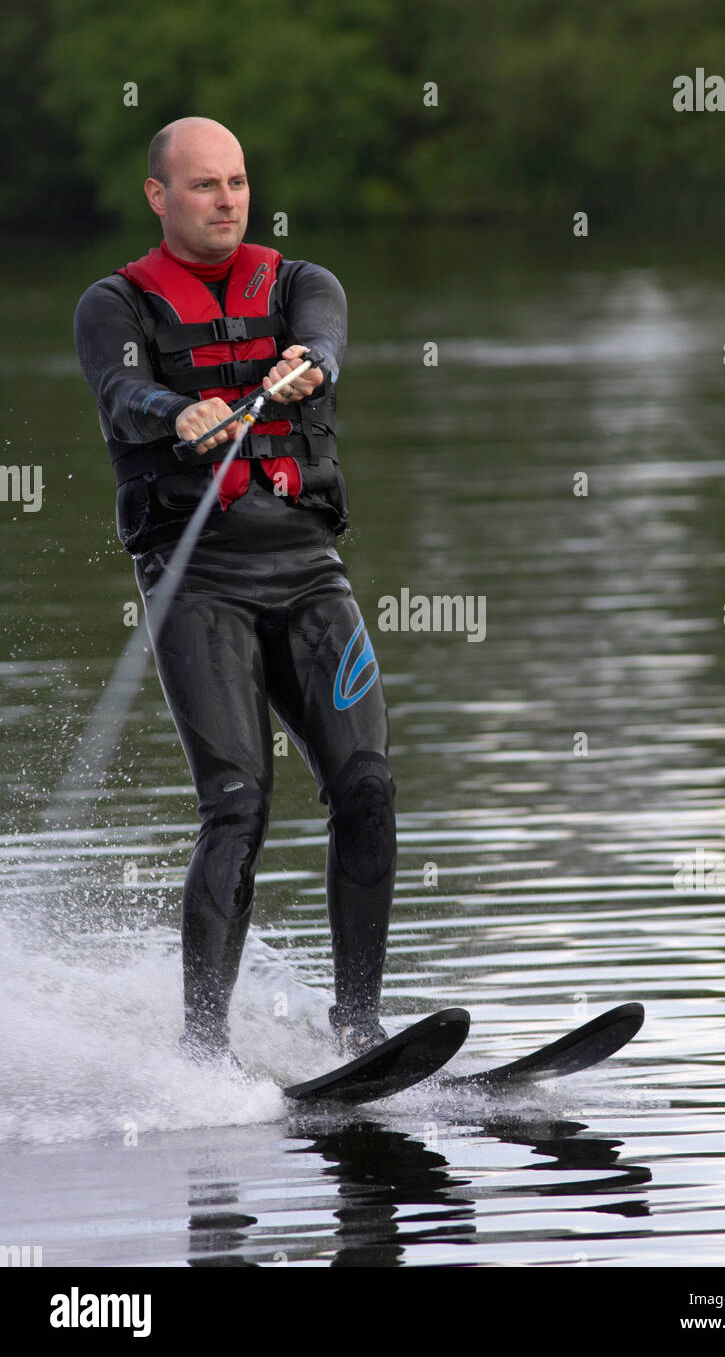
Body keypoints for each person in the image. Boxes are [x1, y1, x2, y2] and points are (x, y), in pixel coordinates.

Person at [74, 117, 396, 1066]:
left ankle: (358, 1024)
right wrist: (180, 409)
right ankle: (203, 1054)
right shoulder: (114, 305)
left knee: (367, 786)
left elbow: (325, 338)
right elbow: (120, 395)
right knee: (237, 803)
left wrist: (312, 365)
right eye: (205, 185)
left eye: (238, 183)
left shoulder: (301, 285)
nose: (226, 200)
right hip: (196, 581)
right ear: (158, 197)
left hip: (307, 575)